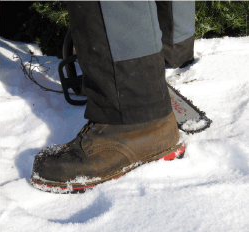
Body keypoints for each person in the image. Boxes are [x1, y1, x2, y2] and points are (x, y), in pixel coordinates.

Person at [31, 1, 195, 193]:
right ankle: (171, 60)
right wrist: (175, 51)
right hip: (166, 60)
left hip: (132, 100)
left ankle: (134, 121)